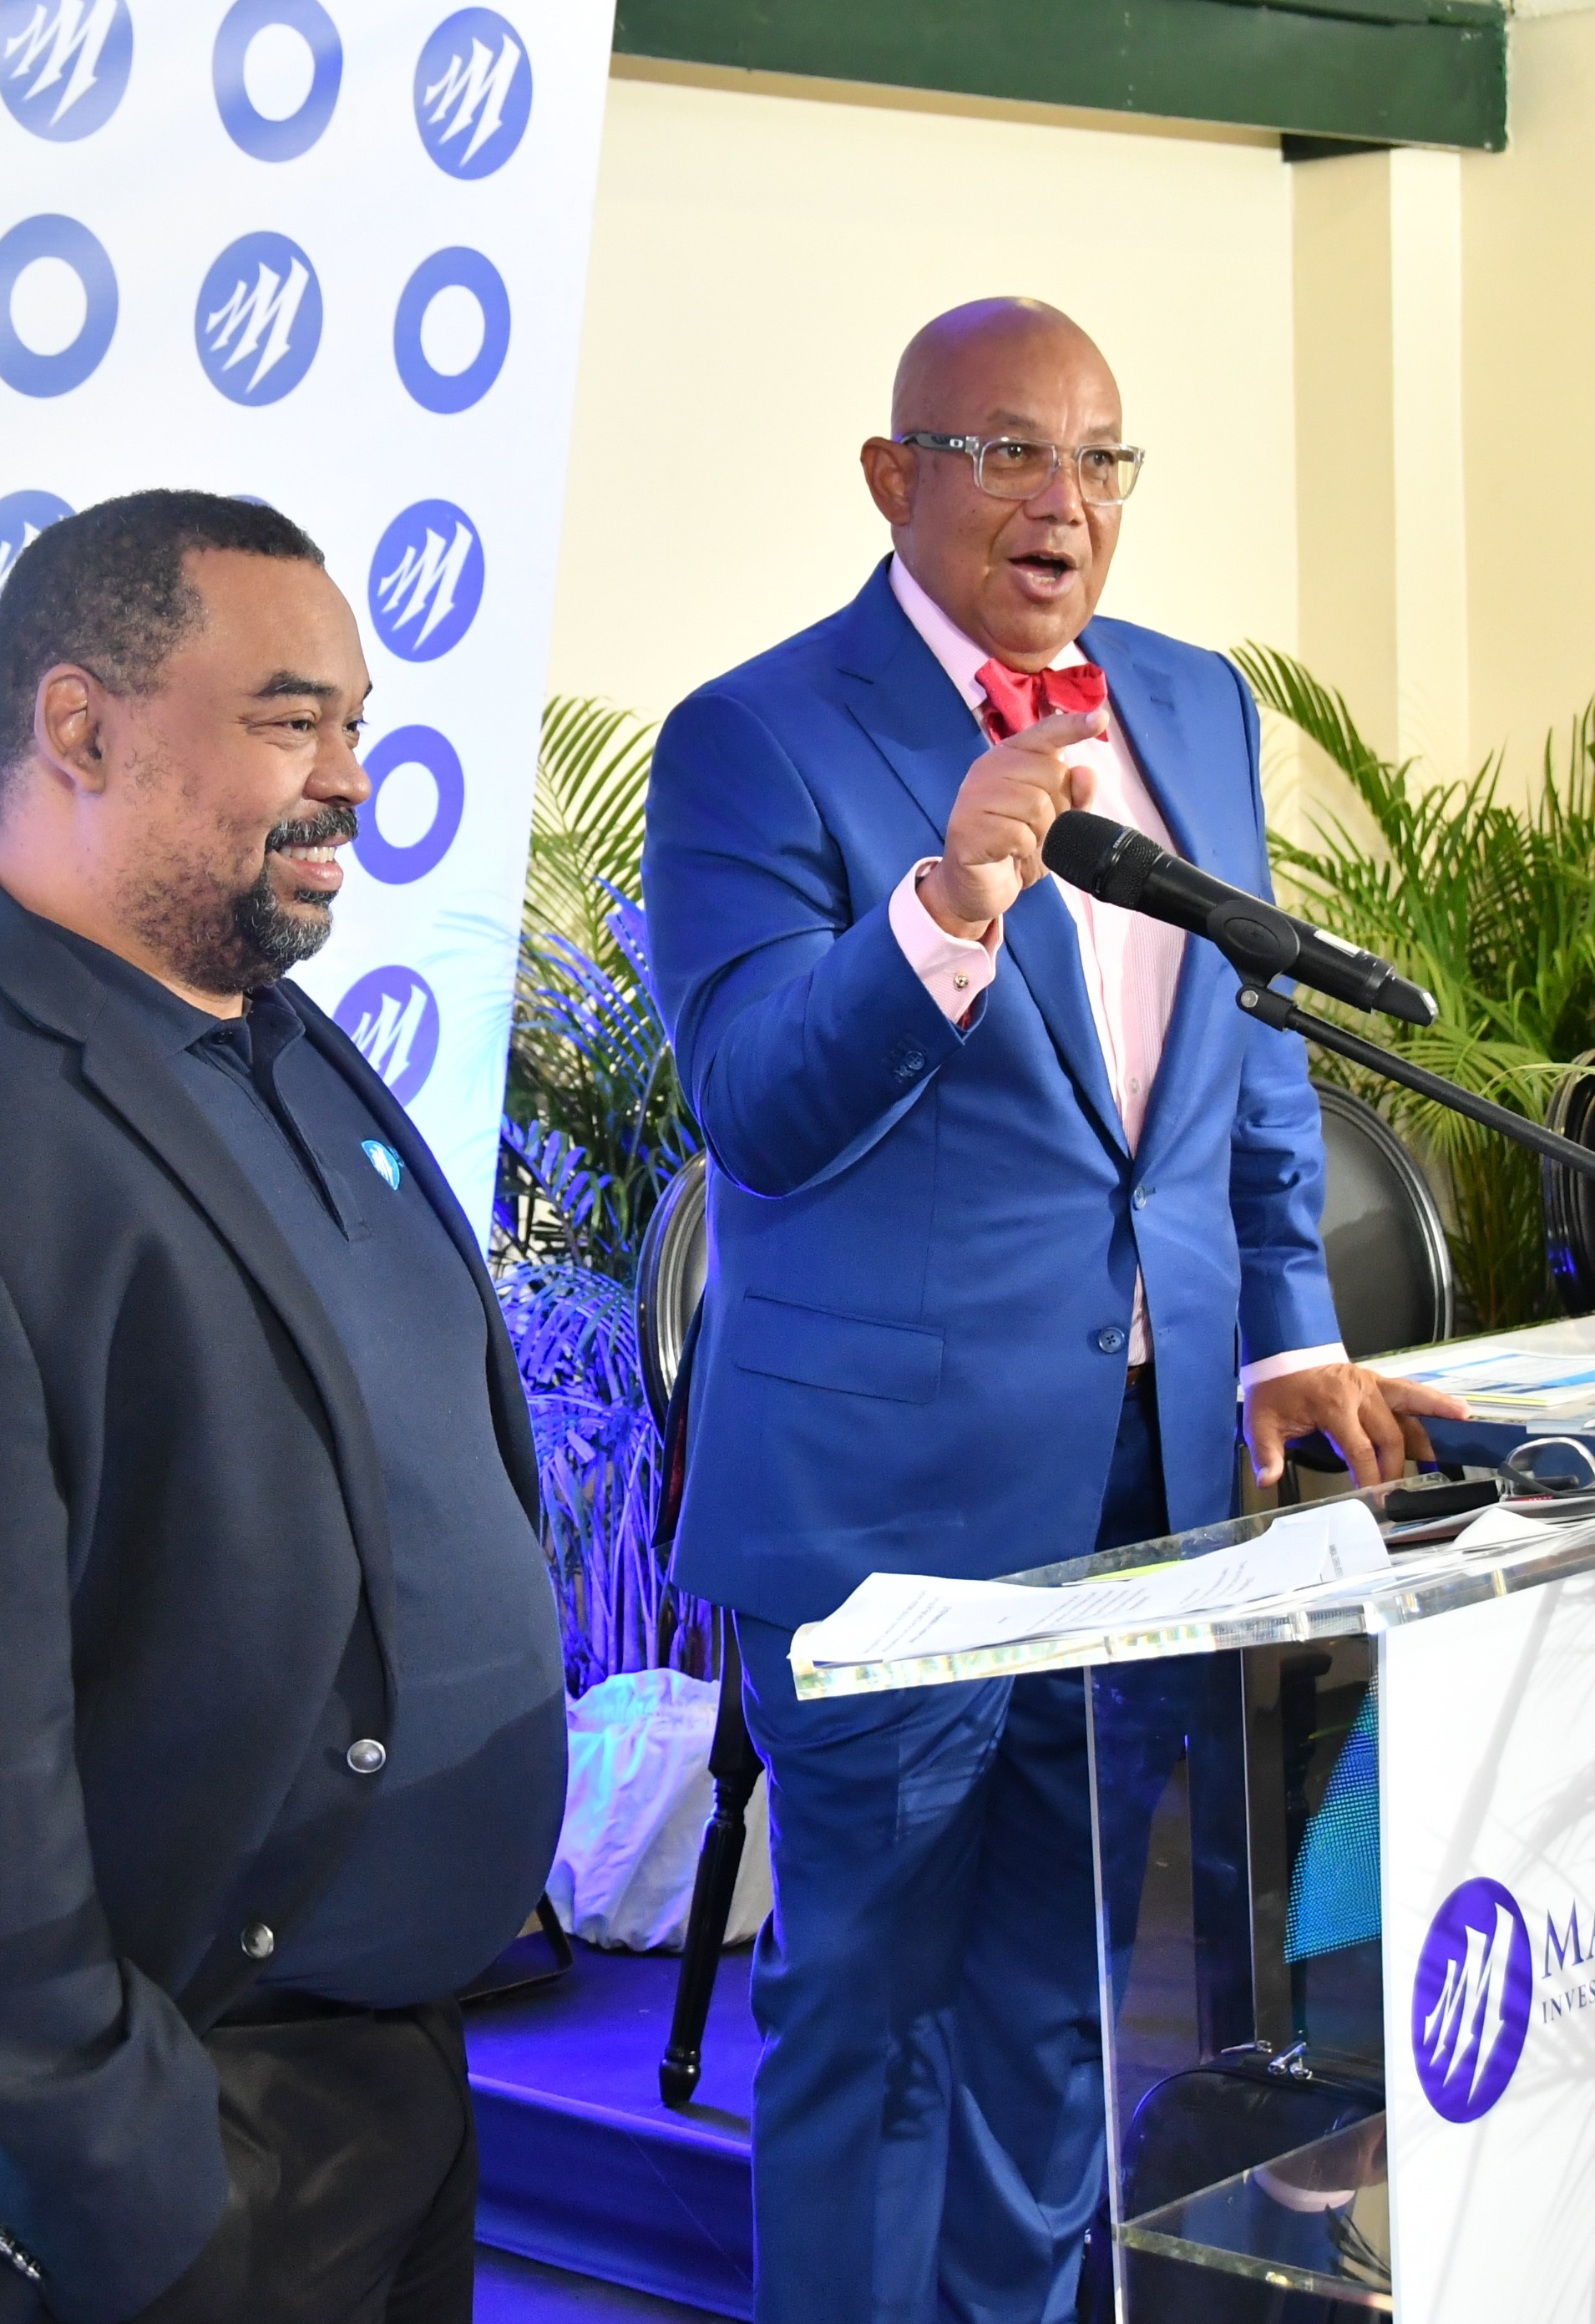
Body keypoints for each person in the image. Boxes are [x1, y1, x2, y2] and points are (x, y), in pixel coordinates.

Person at [641, 298, 1466, 2322]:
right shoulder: (755, 732)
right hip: (881, 1505)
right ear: (891, 477)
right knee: (874, 2018)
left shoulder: (1187, 708)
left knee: (1056, 2005)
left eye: (1099, 459)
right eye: (1008, 453)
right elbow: (753, 1102)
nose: (1063, 502)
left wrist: (1280, 1333)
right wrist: (942, 904)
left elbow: (1241, 1085)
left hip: (1149, 1480)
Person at [0, 489, 566, 2324]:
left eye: (355, 720)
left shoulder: (284, 1043)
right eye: (288, 721)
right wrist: (151, 2192)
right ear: (82, 729)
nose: (351, 778)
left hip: (399, 2091)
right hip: (162, 2186)